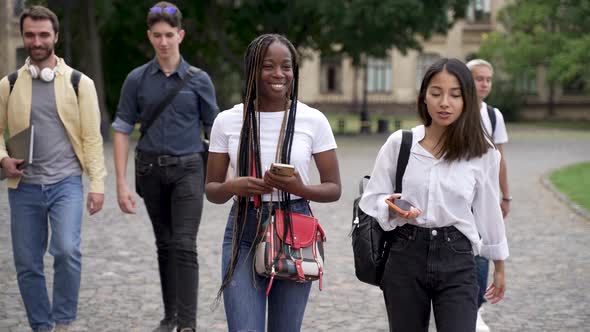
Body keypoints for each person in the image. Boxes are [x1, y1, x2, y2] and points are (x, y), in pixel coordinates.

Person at [359, 58, 508, 332]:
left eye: (455, 94)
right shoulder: (400, 144)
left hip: (458, 256)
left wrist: (499, 265)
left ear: (467, 100)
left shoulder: (483, 152)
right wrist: (392, 207)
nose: (444, 103)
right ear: (424, 97)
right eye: (436, 93)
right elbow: (372, 198)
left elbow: (489, 211)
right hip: (405, 253)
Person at [205, 34, 341, 332]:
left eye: (286, 66)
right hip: (243, 229)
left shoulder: (312, 120)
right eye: (268, 66)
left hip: (296, 229)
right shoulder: (228, 121)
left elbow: (334, 188)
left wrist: (300, 188)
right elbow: (212, 190)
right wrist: (233, 186)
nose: (279, 74)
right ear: (252, 69)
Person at [111, 2, 219, 332]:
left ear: (180, 35)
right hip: (150, 172)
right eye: (157, 35)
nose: (163, 42)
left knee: (184, 244)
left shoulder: (200, 80)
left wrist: (221, 177)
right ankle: (170, 316)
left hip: (189, 169)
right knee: (165, 245)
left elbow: (215, 130)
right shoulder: (136, 79)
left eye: (169, 35)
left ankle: (187, 324)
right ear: (149, 36)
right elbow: (121, 128)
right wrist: (120, 183)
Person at [0, 5, 106, 332]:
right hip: (24, 188)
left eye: (44, 34)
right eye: (30, 34)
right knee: (27, 264)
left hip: (66, 184)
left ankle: (63, 322)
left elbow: (91, 137)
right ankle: (41, 326)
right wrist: (2, 157)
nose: (37, 40)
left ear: (55, 37)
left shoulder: (79, 83)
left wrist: (98, 184)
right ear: (23, 37)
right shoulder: (9, 84)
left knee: (66, 251)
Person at [467, 58, 511, 332]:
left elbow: (500, 159)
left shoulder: (494, 116)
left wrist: (505, 196)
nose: (484, 83)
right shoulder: (453, 109)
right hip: (458, 195)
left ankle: (474, 309)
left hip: (485, 197)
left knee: (482, 251)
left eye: (488, 79)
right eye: (478, 78)